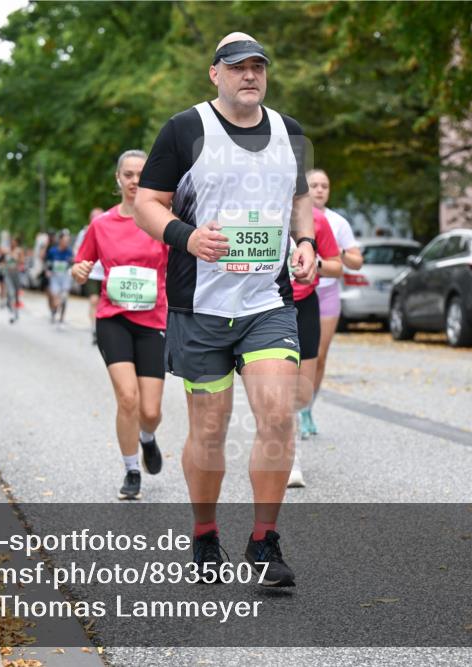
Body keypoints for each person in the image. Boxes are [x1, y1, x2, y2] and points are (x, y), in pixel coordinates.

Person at [135, 32, 317, 587]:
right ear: (215, 73)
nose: (250, 75)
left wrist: (305, 243)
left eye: (258, 66)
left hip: (268, 301)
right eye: (238, 67)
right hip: (200, 306)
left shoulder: (291, 133)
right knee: (209, 431)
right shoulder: (185, 129)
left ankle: (264, 544)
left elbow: (299, 196)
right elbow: (147, 202)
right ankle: (205, 532)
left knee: (278, 415)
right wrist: (186, 238)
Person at [73, 150, 168, 500]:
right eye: (127, 174)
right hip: (113, 319)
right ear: (118, 179)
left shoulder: (161, 221)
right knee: (127, 398)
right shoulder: (102, 225)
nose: (134, 180)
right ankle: (131, 470)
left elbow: (181, 267)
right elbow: (81, 261)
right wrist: (79, 270)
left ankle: (147, 437)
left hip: (153, 319)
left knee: (151, 410)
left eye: (141, 174)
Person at [303, 168, 364, 437]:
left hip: (326, 292)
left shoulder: (337, 222)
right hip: (297, 292)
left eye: (324, 185)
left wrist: (334, 251)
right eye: (314, 185)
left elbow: (355, 261)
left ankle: (306, 408)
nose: (319, 190)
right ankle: (291, 405)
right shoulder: (291, 216)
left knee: (318, 356)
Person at [287, 206, 342, 488]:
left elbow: (337, 265)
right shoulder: (260, 208)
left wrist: (313, 262)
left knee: (301, 390)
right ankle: (291, 456)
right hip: (269, 304)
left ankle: (287, 435)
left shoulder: (316, 220)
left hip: (306, 304)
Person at [77, 207, 106, 343]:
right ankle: (94, 329)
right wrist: (79, 266)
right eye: (94, 216)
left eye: (100, 216)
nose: (97, 219)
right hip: (93, 273)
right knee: (94, 300)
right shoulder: (84, 233)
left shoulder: (109, 229)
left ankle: (103, 328)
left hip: (108, 273)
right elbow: (78, 252)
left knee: (104, 303)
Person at [45, 230, 74, 330]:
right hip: (55, 277)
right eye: (65, 240)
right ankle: (54, 311)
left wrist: (71, 264)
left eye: (68, 241)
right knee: (56, 298)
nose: (67, 242)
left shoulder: (69, 251)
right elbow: (47, 262)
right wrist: (48, 271)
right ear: (60, 240)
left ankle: (61, 319)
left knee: (64, 298)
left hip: (65, 277)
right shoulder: (53, 251)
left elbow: (72, 263)